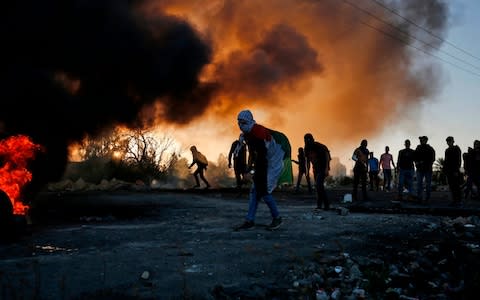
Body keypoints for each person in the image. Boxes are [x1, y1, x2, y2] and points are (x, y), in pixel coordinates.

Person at [234, 110, 284, 230]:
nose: (240, 125)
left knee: (263, 191)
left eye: (243, 122)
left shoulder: (258, 132)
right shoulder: (247, 134)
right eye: (239, 122)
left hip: (272, 162)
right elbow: (253, 153)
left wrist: (253, 172)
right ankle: (250, 220)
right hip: (263, 161)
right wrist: (249, 168)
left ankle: (277, 217)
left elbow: (262, 155)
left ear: (250, 121)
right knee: (255, 192)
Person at [304, 133, 331, 210]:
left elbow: (327, 155)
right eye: (306, 139)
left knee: (319, 185)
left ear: (312, 139)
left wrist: (326, 168)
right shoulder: (306, 148)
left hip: (322, 168)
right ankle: (319, 205)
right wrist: (307, 171)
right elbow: (307, 161)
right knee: (318, 187)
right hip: (316, 169)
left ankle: (326, 205)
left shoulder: (318, 146)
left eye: (309, 139)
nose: (307, 141)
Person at [414, 136, 435, 203]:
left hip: (427, 169)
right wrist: (417, 163)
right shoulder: (418, 148)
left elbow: (432, 159)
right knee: (419, 184)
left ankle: (427, 198)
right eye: (421, 140)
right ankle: (419, 198)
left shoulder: (430, 149)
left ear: (426, 140)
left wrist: (425, 162)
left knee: (427, 184)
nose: (421, 141)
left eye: (422, 140)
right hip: (420, 169)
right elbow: (415, 157)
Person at [444, 136, 462, 206]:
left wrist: (456, 170)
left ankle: (459, 201)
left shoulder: (456, 149)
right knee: (452, 186)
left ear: (453, 141)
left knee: (456, 186)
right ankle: (454, 201)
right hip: (449, 171)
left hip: (455, 170)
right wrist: (445, 170)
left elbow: (458, 160)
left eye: (450, 141)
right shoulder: (447, 150)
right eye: (448, 141)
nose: (449, 142)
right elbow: (446, 161)